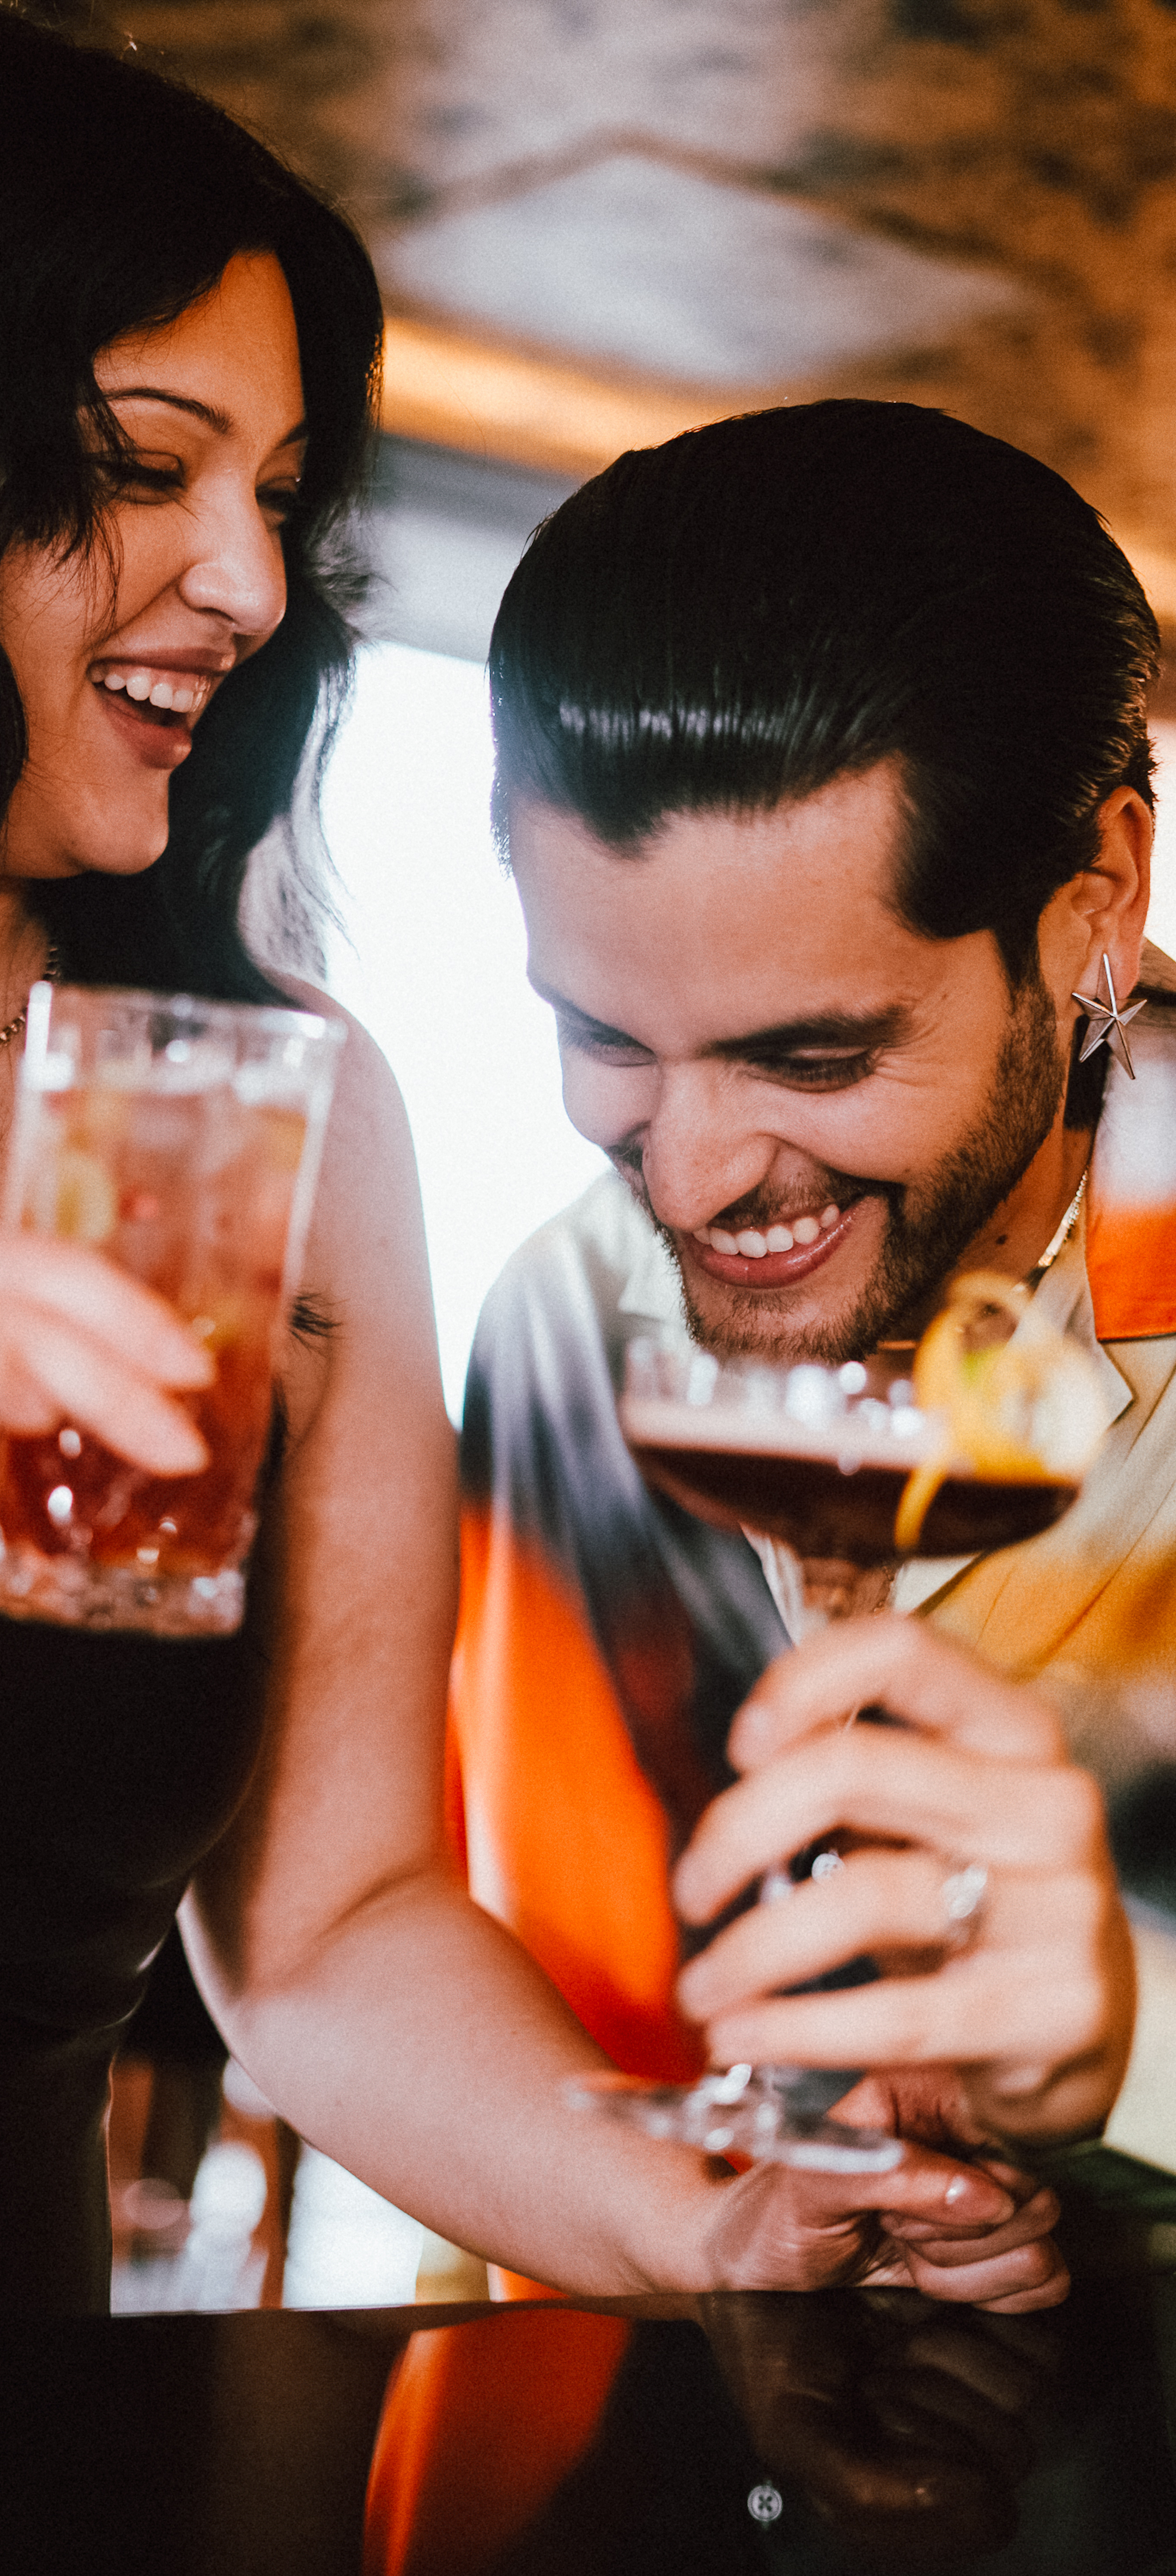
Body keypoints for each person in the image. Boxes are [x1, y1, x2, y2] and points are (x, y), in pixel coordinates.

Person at [0, 18, 1065, 2336]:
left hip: (6, 2465)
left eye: (283, 498)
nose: (250, 579)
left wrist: (687, 2216)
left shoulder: (271, 1109)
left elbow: (329, 1932)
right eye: (147, 468)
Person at [365, 399, 1168, 2574]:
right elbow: (446, 1941)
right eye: (607, 1038)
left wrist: (1137, 2037)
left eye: (816, 1055)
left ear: (1096, 898)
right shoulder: (565, 1316)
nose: (699, 1180)